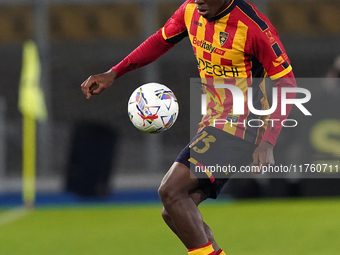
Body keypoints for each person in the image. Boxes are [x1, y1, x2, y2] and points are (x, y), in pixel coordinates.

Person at [81, 0, 297, 254]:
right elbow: (160, 41)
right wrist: (113, 72)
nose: (199, 0)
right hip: (213, 123)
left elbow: (288, 85)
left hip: (243, 126)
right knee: (175, 212)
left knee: (170, 190)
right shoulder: (190, 10)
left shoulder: (254, 27)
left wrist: (268, 141)